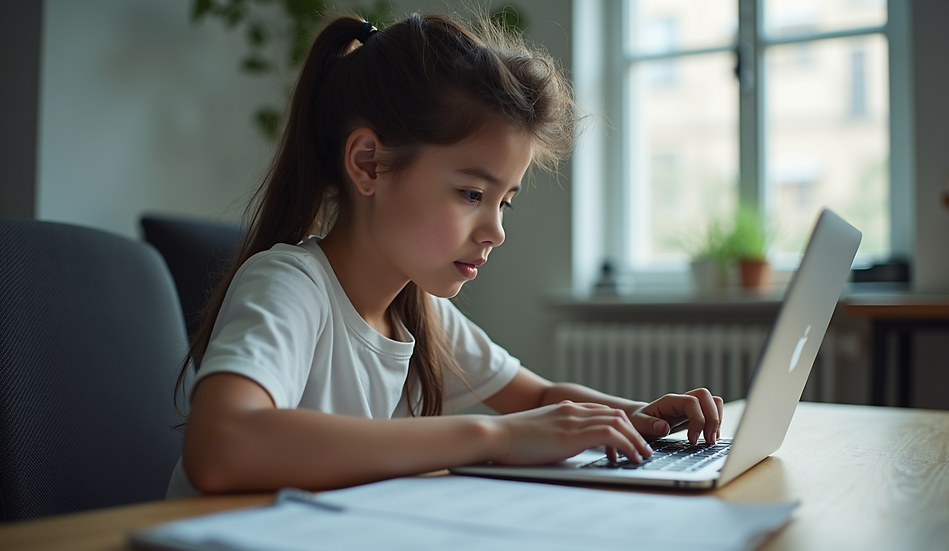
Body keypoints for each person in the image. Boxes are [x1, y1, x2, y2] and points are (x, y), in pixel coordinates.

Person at [167, 12, 724, 498]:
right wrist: (494, 436)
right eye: (472, 194)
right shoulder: (290, 284)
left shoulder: (417, 310)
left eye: (504, 202)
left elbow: (539, 396)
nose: (496, 231)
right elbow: (221, 446)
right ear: (368, 164)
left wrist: (637, 416)